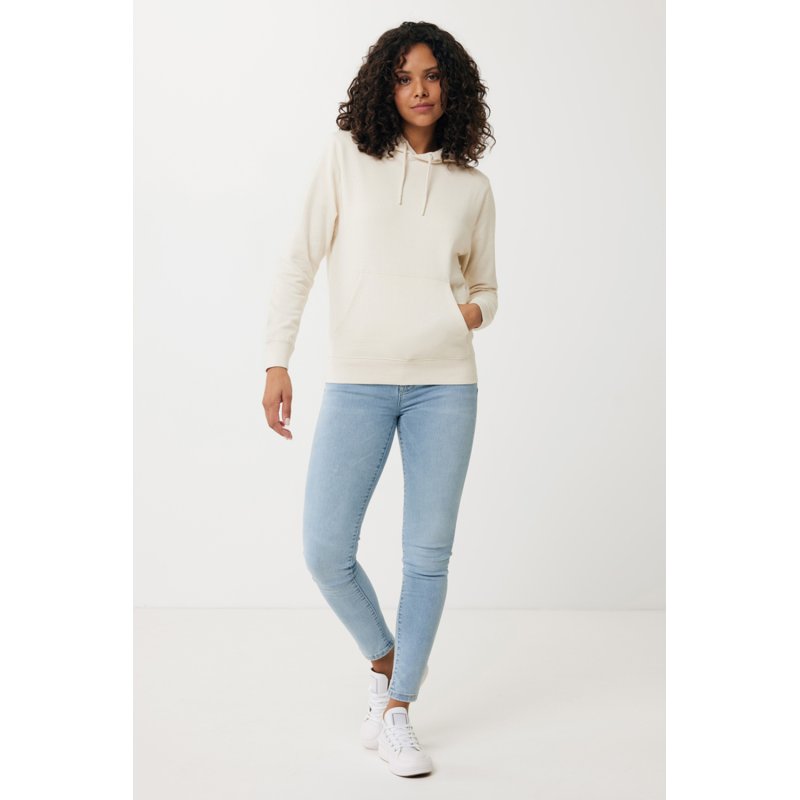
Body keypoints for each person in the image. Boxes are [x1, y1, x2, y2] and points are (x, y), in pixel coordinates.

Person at [261, 21, 498, 778]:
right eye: (403, 78)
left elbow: (487, 287)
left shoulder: (472, 186)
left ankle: (397, 709)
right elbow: (299, 260)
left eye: (431, 75)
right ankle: (387, 661)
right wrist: (277, 359)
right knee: (325, 549)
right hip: (358, 378)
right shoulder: (348, 157)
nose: (419, 90)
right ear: (383, 88)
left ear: (451, 84)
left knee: (426, 555)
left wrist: (465, 315)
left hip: (445, 386)